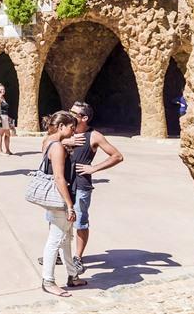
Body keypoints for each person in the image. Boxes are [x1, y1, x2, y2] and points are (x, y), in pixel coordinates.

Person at [66, 101, 124, 273]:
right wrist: (66, 140)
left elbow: (117, 156)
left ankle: (77, 257)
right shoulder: (66, 131)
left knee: (81, 222)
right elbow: (46, 145)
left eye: (73, 113)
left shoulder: (94, 136)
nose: (69, 115)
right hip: (63, 183)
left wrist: (94, 168)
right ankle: (62, 254)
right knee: (59, 219)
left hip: (81, 185)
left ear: (84, 118)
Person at [39, 111, 88, 297]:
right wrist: (69, 205)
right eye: (71, 127)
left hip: (55, 198)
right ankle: (48, 280)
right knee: (56, 240)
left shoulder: (48, 141)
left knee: (66, 238)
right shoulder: (58, 147)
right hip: (60, 198)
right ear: (61, 127)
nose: (73, 131)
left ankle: (72, 276)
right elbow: (59, 177)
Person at [0, 83, 13, 155]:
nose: (3, 90)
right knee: (0, 134)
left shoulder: (3, 98)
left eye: (3, 89)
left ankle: (7, 150)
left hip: (5, 117)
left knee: (7, 134)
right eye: (1, 89)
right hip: (0, 117)